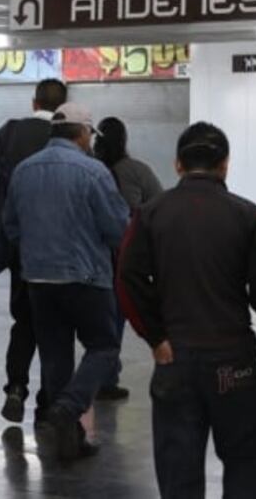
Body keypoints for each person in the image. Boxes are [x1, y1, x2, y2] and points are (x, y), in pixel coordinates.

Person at [117, 122, 256, 498]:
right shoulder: (248, 216)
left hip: (175, 362)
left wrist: (156, 337)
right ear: (225, 165)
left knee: (178, 473)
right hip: (236, 364)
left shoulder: (151, 214)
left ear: (178, 165)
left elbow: (127, 279)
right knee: (246, 465)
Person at [3, 102, 129, 460]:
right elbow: (118, 228)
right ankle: (69, 406)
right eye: (90, 134)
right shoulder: (94, 172)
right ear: (82, 133)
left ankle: (68, 440)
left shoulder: (23, 171)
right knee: (104, 347)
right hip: (87, 278)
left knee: (55, 358)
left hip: (38, 280)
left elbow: (10, 225)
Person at [0, 78, 68, 423]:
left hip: (23, 249)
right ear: (64, 105)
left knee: (24, 323)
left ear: (34, 102)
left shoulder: (10, 133)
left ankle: (15, 388)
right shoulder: (69, 137)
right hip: (63, 253)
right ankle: (49, 400)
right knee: (56, 328)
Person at [92, 116, 163, 400]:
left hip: (92, 256)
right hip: (125, 256)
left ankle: (98, 374)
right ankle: (106, 378)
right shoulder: (136, 170)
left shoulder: (91, 169)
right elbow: (158, 205)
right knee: (116, 319)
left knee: (97, 321)